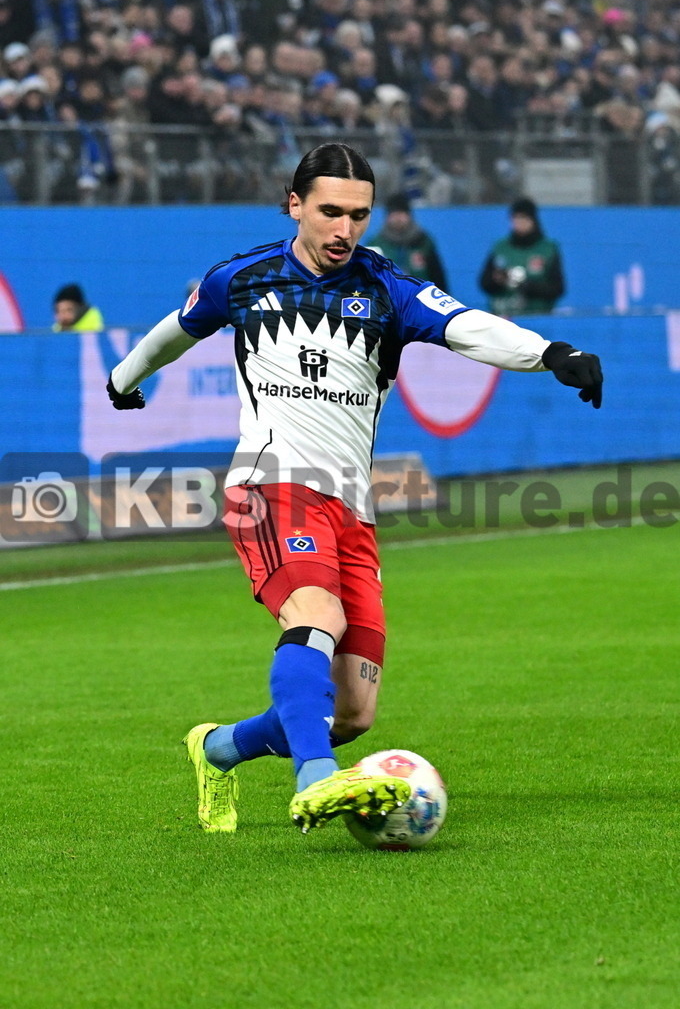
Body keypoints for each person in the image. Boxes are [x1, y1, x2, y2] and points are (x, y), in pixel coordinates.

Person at [105, 143, 602, 836]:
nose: (345, 230)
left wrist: (550, 354)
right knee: (317, 619)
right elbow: (173, 332)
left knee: (351, 714)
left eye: (359, 216)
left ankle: (216, 748)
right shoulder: (242, 279)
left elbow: (465, 326)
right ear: (295, 205)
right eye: (331, 212)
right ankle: (314, 780)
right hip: (270, 486)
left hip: (351, 509)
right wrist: (122, 381)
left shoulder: (387, 290)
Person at [479, 197, 565, 318]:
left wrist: (527, 286)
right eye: (515, 218)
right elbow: (484, 283)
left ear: (533, 220)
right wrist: (498, 280)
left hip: (536, 316)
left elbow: (557, 288)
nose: (519, 223)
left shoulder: (547, 249)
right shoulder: (500, 248)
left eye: (524, 218)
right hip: (503, 317)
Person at [367, 192, 448, 291]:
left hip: (420, 299)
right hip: (387, 301)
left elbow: (437, 276)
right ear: (387, 217)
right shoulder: (376, 244)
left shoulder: (423, 241)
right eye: (394, 214)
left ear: (409, 215)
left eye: (401, 214)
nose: (398, 219)